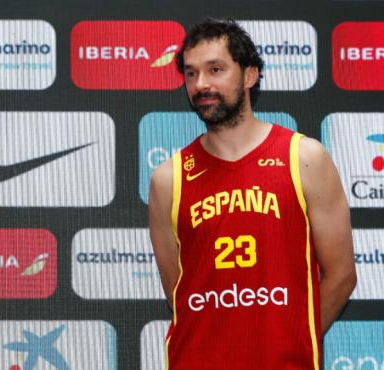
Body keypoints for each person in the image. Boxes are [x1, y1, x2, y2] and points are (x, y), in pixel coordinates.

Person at [148, 18, 356, 369]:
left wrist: (293, 342)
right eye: (191, 73)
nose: (201, 84)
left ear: (249, 75)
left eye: (215, 69)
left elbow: (342, 275)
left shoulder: (304, 158)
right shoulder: (168, 178)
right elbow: (178, 291)